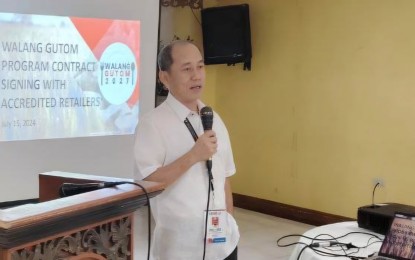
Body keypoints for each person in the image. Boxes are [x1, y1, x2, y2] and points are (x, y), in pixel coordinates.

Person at [134, 40, 239, 260]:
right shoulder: (152, 124)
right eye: (187, 69)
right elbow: (148, 183)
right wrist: (193, 156)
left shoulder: (214, 118)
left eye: (200, 67)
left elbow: (225, 178)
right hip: (179, 249)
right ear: (164, 78)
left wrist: (228, 221)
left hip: (223, 244)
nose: (196, 75)